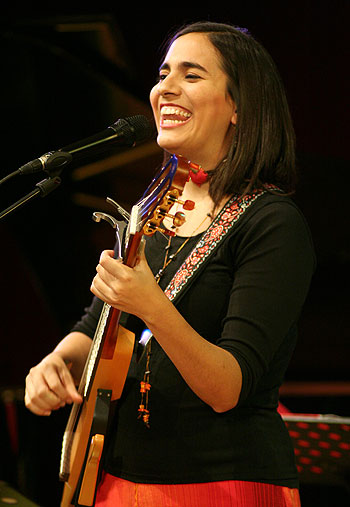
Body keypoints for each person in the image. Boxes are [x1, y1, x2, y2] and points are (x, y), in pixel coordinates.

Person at [24, 21, 315, 506]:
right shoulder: (153, 208)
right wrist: (59, 360)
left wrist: (152, 306)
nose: (165, 88)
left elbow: (227, 387)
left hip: (222, 485)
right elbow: (99, 324)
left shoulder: (273, 224)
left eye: (192, 75)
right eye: (163, 73)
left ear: (239, 107)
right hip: (118, 480)